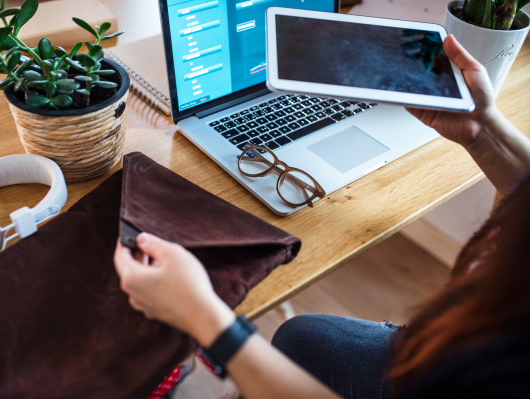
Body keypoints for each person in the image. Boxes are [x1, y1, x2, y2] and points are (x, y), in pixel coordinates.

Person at [113, 35, 530, 399]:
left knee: (299, 343)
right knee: (303, 338)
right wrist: (484, 128)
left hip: (463, 364)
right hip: (460, 342)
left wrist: (208, 320)